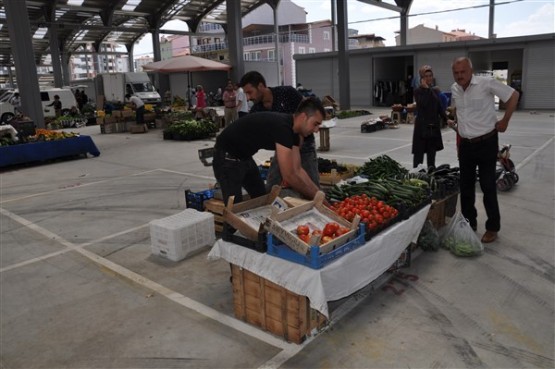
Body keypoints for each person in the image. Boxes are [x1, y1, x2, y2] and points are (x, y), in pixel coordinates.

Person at [448, 56, 519, 243]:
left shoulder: (486, 84)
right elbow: (462, 112)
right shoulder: (454, 89)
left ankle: (493, 227)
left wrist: (505, 121)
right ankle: (469, 224)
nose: (459, 76)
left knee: (488, 186)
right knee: (466, 187)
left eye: (463, 72)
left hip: (486, 143)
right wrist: (457, 125)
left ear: (470, 71)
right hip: (465, 145)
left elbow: (513, 96)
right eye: (456, 72)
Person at [212, 97, 325, 206]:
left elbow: (298, 169)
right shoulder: (283, 128)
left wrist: (319, 194)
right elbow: (289, 176)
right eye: (315, 124)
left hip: (244, 157)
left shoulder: (294, 132)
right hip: (226, 158)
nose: (316, 130)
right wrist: (315, 197)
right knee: (234, 210)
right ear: (304, 117)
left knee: (261, 198)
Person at [239, 71, 320, 191]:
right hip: (283, 149)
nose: (248, 97)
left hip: (305, 148)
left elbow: (309, 111)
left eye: (250, 92)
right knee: (272, 186)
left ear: (261, 86)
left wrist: (302, 134)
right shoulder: (256, 110)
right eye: (246, 93)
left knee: (312, 186)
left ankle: (320, 207)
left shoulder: (287, 92)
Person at [411, 65, 447, 169]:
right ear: (421, 78)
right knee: (418, 158)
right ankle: (417, 177)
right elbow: (424, 104)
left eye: (430, 75)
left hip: (433, 127)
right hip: (421, 128)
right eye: (426, 76)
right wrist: (426, 89)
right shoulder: (418, 92)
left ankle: (431, 177)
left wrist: (447, 119)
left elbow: (439, 107)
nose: (429, 78)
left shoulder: (435, 91)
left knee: (431, 158)